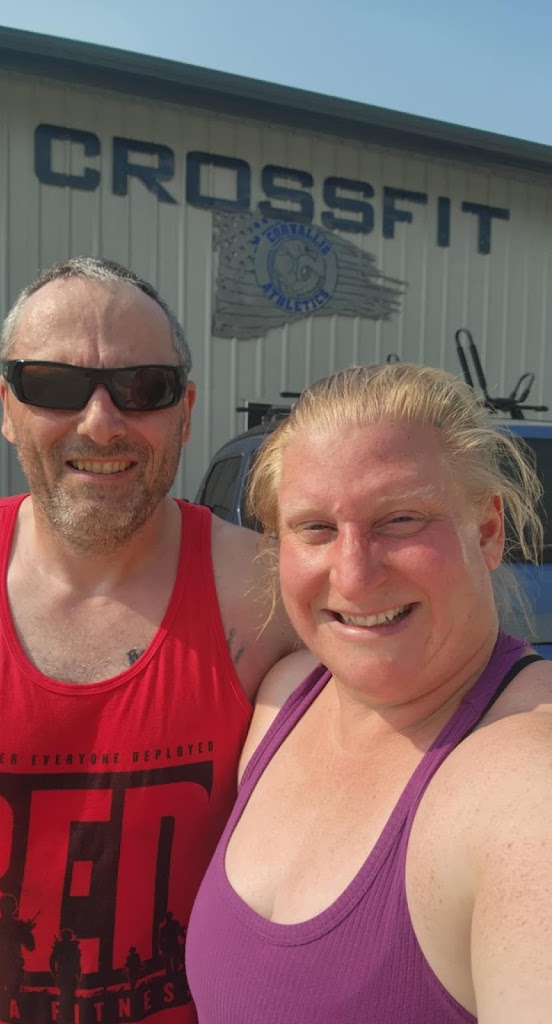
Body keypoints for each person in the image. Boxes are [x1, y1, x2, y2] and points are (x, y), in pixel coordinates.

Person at [0, 256, 296, 1024]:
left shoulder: (267, 596)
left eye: (143, 387)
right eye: (53, 384)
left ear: (185, 412)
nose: (100, 422)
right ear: (8, 407)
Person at [186, 363, 552, 1023]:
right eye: (315, 529)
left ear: (487, 531)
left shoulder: (528, 782)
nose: (354, 576)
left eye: (401, 520)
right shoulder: (284, 698)